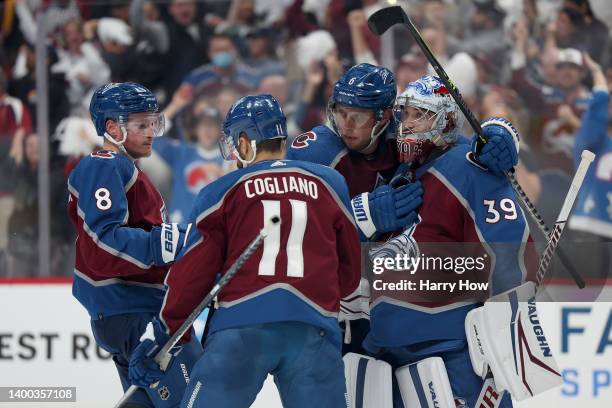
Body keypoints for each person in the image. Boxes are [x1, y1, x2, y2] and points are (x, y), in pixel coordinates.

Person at [128, 94, 362, 407]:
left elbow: (191, 278)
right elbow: (349, 275)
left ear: (245, 140)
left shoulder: (221, 191)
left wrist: (165, 333)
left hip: (243, 329)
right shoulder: (331, 183)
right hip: (314, 329)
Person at [286, 63, 520, 353]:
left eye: (357, 116)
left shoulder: (403, 140)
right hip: (332, 300)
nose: (345, 125)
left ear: (384, 116)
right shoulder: (318, 151)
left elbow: (457, 147)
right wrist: (361, 215)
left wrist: (498, 134)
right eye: (339, 112)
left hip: (387, 303)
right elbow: (290, 231)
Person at [354, 75, 540, 407]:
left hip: (448, 345)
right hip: (386, 346)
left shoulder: (468, 165)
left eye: (419, 114)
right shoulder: (402, 174)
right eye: (405, 114)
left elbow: (507, 249)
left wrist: (499, 130)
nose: (406, 125)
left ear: (447, 118)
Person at [67, 82, 202, 407]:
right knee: (200, 392)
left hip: (133, 307)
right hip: (130, 308)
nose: (151, 132)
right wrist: (164, 242)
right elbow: (104, 236)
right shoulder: (104, 164)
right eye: (141, 125)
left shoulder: (126, 169)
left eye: (153, 123)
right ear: (112, 127)